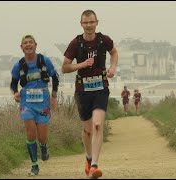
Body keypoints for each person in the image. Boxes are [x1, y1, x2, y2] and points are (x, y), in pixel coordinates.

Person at [61, 10, 118, 179]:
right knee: (87, 131)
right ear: (81, 24)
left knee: (98, 124)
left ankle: (94, 166)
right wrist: (82, 64)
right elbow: (64, 67)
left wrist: (113, 68)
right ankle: (88, 158)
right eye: (85, 23)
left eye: (91, 22)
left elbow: (114, 52)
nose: (89, 26)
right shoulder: (75, 43)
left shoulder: (104, 40)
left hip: (101, 88)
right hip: (83, 90)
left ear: (97, 22)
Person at [10, 35, 59, 176]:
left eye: (30, 42)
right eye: (25, 43)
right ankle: (34, 165)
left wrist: (54, 97)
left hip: (43, 101)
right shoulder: (18, 65)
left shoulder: (45, 60)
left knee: (42, 137)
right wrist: (15, 93)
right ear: (21, 47)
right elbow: (13, 83)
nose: (28, 44)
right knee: (30, 132)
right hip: (27, 103)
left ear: (35, 45)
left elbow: (55, 78)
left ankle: (43, 147)